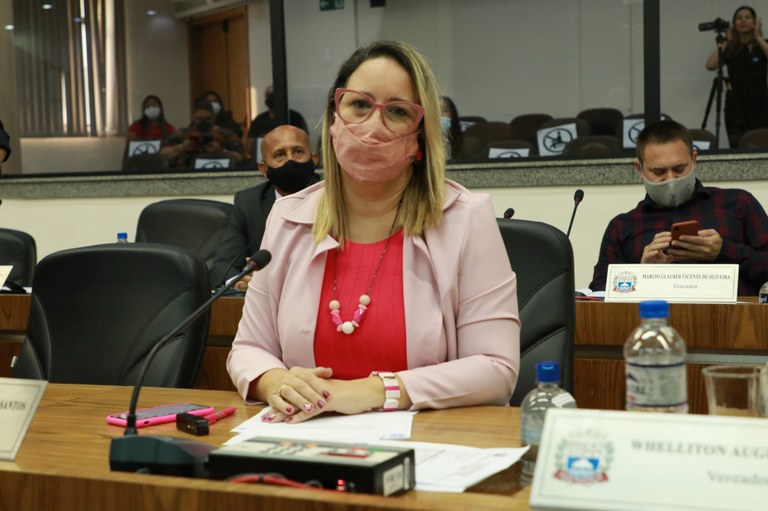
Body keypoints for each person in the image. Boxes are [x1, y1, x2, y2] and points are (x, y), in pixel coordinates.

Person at [227, 40, 520, 424]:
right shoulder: (288, 217)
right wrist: (275, 382)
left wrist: (371, 392)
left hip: (427, 441)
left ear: (420, 137)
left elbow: (496, 369)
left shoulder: (464, 219)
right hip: (304, 437)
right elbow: (249, 348)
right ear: (333, 119)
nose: (372, 125)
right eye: (359, 105)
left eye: (397, 111)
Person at [589, 119, 768, 295]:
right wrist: (642, 273)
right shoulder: (622, 227)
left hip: (733, 314)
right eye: (658, 172)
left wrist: (723, 251)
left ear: (694, 160)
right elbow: (598, 292)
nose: (671, 179)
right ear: (640, 169)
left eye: (679, 169)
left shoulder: (738, 203)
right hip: (654, 315)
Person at [210, 125, 320, 289]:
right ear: (264, 168)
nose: (290, 160)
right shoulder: (249, 203)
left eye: (298, 151)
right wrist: (239, 282)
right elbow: (223, 266)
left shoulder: (335, 198)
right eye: (279, 155)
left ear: (314, 159)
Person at [705, 5, 768, 147]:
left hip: (761, 106)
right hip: (735, 107)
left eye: (747, 17)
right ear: (734, 24)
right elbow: (710, 65)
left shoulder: (763, 44)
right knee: (737, 147)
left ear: (755, 22)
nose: (743, 20)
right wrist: (727, 41)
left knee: (762, 147)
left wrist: (758, 37)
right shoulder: (730, 48)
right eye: (739, 18)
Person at [165, 99, 246, 169]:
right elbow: (163, 154)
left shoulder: (227, 133)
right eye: (200, 118)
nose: (203, 122)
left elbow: (241, 158)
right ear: (193, 117)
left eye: (208, 119)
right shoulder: (182, 133)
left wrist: (221, 151)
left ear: (213, 117)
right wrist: (182, 147)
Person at [245, 85, 310, 159]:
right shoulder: (259, 120)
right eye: (269, 94)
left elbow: (306, 142)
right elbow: (249, 147)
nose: (272, 97)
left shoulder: (296, 117)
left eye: (275, 94)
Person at [441, 96, 463, 161]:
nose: (441, 114)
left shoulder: (466, 144)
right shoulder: (424, 143)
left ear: (452, 114)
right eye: (436, 110)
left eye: (445, 110)